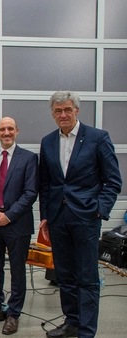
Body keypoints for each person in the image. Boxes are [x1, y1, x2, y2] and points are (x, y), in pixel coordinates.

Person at [39, 91, 121, 338]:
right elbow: (46, 183)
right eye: (57, 111)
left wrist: (99, 210)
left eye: (67, 110)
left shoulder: (97, 138)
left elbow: (113, 181)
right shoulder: (48, 141)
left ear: (76, 111)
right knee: (64, 274)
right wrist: (45, 215)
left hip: (86, 217)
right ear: (52, 114)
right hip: (58, 217)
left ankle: (86, 331)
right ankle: (72, 322)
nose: (62, 114)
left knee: (86, 276)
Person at [0, 117, 38, 335]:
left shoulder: (29, 158)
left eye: (10, 128)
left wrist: (9, 215)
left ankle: (13, 314)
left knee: (17, 270)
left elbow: (30, 193)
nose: (6, 132)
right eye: (2, 129)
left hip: (17, 223)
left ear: (17, 131)